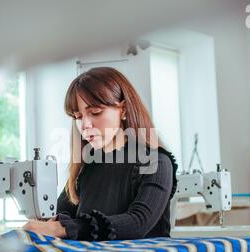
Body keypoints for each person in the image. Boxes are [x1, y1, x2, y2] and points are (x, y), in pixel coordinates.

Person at [22, 67, 178, 240]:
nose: (85, 125)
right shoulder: (87, 167)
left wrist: (62, 228)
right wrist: (48, 223)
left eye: (95, 112)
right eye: (78, 117)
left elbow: (138, 223)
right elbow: (59, 214)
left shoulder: (157, 162)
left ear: (124, 110)